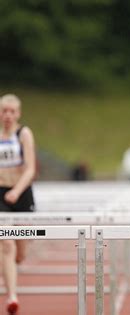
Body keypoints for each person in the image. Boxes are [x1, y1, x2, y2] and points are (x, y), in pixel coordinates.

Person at [0, 94, 36, 314]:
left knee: (20, 253)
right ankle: (12, 296)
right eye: (4, 111)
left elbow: (31, 168)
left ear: (18, 113)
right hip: (1, 194)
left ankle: (9, 266)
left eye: (12, 111)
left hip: (21, 194)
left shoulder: (24, 134)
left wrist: (17, 190)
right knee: (6, 243)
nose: (7, 115)